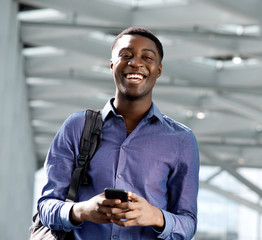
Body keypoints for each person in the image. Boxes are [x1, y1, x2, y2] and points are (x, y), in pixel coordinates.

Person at [37, 26, 199, 240]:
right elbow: (46, 206)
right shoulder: (76, 126)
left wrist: (155, 216)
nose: (136, 63)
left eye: (147, 57)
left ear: (158, 70)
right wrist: (82, 211)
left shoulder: (181, 140)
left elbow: (188, 223)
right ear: (112, 64)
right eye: (126, 55)